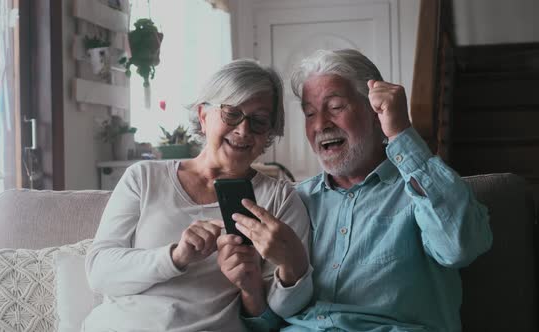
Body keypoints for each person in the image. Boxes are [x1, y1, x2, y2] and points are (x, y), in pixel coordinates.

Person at [240, 49, 492, 331]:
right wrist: (250, 287)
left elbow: (460, 247)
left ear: (376, 113)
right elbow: (268, 322)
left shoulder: (420, 188)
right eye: (310, 113)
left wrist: (401, 133)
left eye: (335, 107)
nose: (321, 124)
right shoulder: (297, 200)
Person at [82, 59, 312, 332]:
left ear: (269, 135)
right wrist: (175, 257)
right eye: (231, 113)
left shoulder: (280, 199)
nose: (243, 130)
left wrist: (250, 286)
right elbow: (99, 273)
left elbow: (277, 319)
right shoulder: (143, 178)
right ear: (203, 116)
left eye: (259, 121)